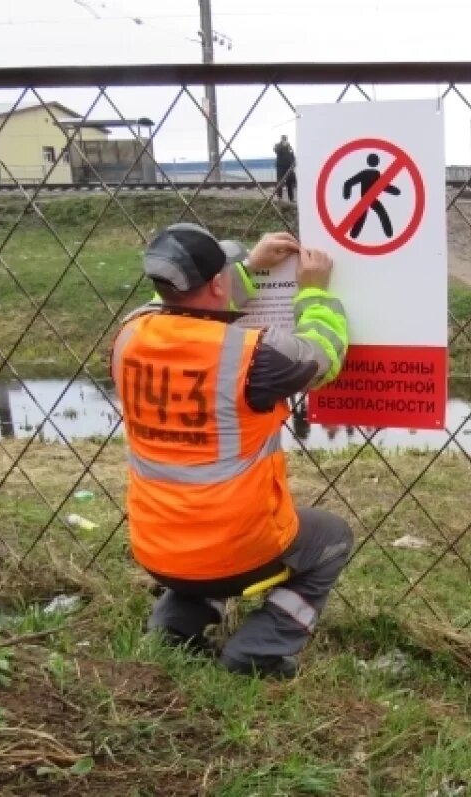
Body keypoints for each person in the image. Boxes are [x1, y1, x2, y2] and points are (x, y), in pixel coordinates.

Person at [111, 222, 352, 679]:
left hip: (157, 549)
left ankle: (172, 626)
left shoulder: (128, 338)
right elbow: (324, 353)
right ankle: (258, 651)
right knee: (331, 538)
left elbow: (170, 308)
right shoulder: (253, 356)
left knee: (199, 550)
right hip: (236, 549)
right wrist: (314, 293)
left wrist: (247, 267)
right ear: (219, 283)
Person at [274, 135, 296, 202]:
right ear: (281, 139)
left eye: (285, 139)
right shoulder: (277, 145)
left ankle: (291, 198)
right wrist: (283, 146)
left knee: (289, 183)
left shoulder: (289, 146)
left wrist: (293, 164)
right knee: (280, 183)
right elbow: (276, 151)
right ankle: (280, 197)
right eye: (283, 139)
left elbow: (292, 155)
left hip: (288, 167)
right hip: (280, 167)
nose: (285, 140)